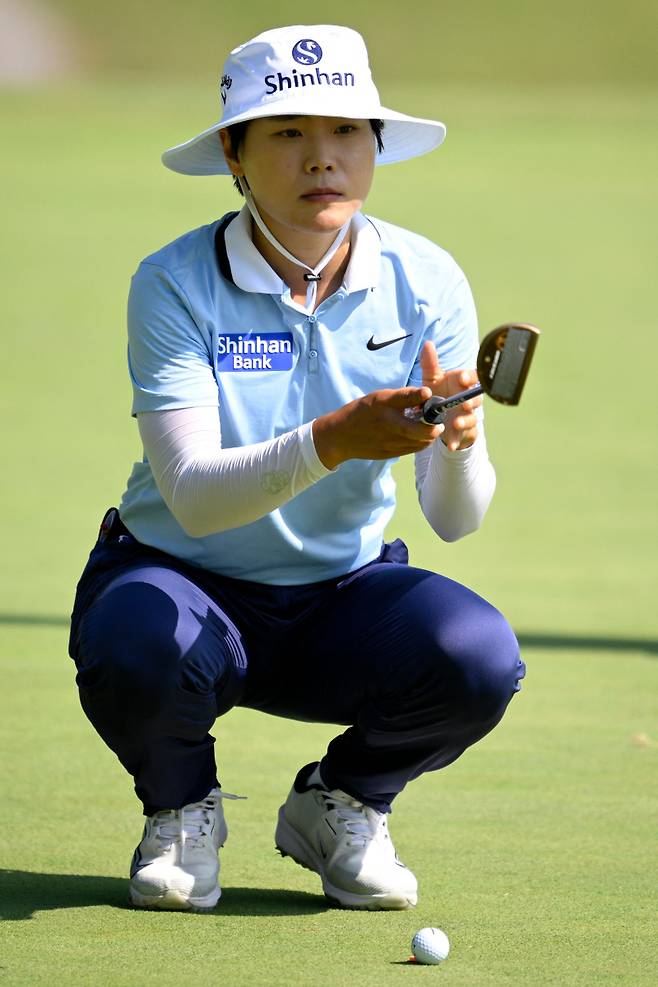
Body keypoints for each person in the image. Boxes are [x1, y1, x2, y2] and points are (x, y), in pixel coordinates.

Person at [68, 24, 525, 913]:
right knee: (137, 638)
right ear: (234, 156)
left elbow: (456, 519)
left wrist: (462, 441)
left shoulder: (426, 279)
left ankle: (342, 801)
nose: (324, 158)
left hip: (338, 599)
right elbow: (195, 498)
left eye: (347, 131)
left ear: (375, 147)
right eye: (287, 134)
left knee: (476, 655)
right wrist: (336, 439)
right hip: (180, 581)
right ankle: (180, 810)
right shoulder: (172, 280)